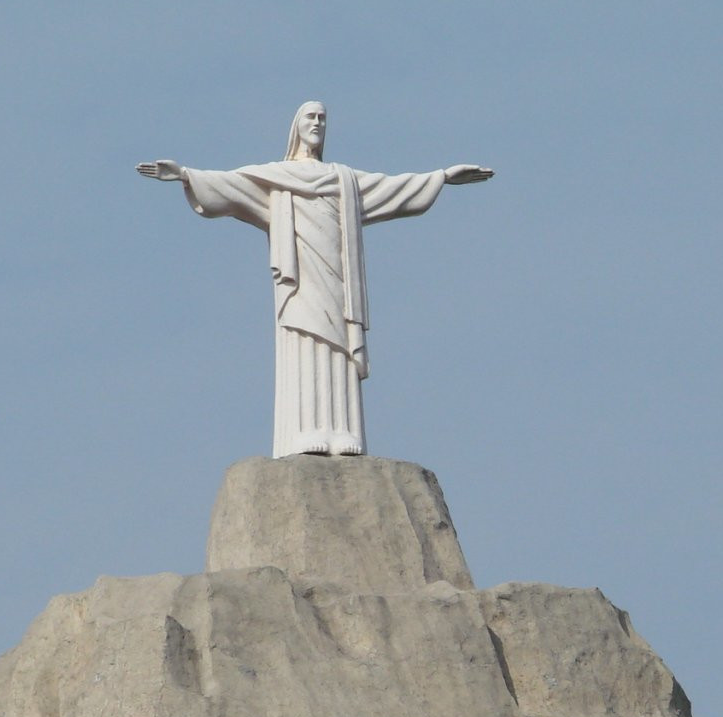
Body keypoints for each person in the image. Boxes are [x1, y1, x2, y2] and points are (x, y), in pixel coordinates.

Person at [138, 102, 491, 457]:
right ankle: (305, 430)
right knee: (306, 339)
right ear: (296, 126)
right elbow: (231, 185)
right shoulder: (276, 178)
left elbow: (392, 189)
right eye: (311, 116)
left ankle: (343, 431)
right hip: (301, 279)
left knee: (338, 347)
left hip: (339, 278)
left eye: (323, 117)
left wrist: (442, 177)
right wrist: (185, 175)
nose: (318, 122)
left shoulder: (345, 180)